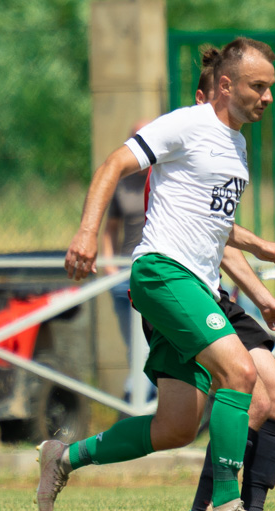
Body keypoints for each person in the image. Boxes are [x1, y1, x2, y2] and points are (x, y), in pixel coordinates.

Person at [40, 38, 275, 511]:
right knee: (241, 373)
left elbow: (213, 226)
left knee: (175, 428)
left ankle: (64, 457)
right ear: (225, 85)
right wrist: (88, 232)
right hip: (162, 273)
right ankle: (225, 507)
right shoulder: (188, 123)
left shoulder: (235, 144)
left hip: (196, 284)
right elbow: (114, 163)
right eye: (258, 86)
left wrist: (259, 268)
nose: (267, 97)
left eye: (270, 88)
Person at [159, 53, 275, 511]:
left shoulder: (232, 149)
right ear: (211, 95)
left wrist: (262, 297)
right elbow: (204, 237)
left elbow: (218, 239)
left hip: (218, 293)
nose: (263, 99)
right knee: (248, 398)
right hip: (183, 291)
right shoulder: (184, 147)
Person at [99, 120, 155, 404]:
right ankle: (141, 405)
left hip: (154, 272)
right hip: (124, 274)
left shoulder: (166, 176)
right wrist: (110, 267)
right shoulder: (122, 183)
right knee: (135, 348)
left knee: (150, 346)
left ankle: (136, 403)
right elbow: (109, 230)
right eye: (136, 137)